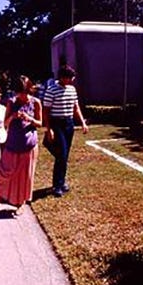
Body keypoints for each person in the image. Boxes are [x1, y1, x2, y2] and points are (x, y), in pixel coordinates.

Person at [0, 76, 42, 215]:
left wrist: (29, 119)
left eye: (25, 92)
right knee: (4, 173)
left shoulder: (36, 102)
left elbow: (40, 123)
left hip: (29, 146)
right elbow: (5, 124)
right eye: (19, 92)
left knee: (25, 177)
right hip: (12, 145)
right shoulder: (11, 102)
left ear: (30, 89)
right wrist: (13, 116)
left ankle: (20, 204)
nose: (22, 95)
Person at [42, 65, 88, 197]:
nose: (72, 80)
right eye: (69, 78)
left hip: (69, 123)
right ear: (62, 77)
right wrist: (49, 128)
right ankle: (57, 185)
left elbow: (76, 106)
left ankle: (61, 182)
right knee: (61, 155)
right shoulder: (51, 90)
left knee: (64, 155)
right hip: (57, 123)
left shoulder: (72, 89)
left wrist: (83, 122)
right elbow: (46, 111)